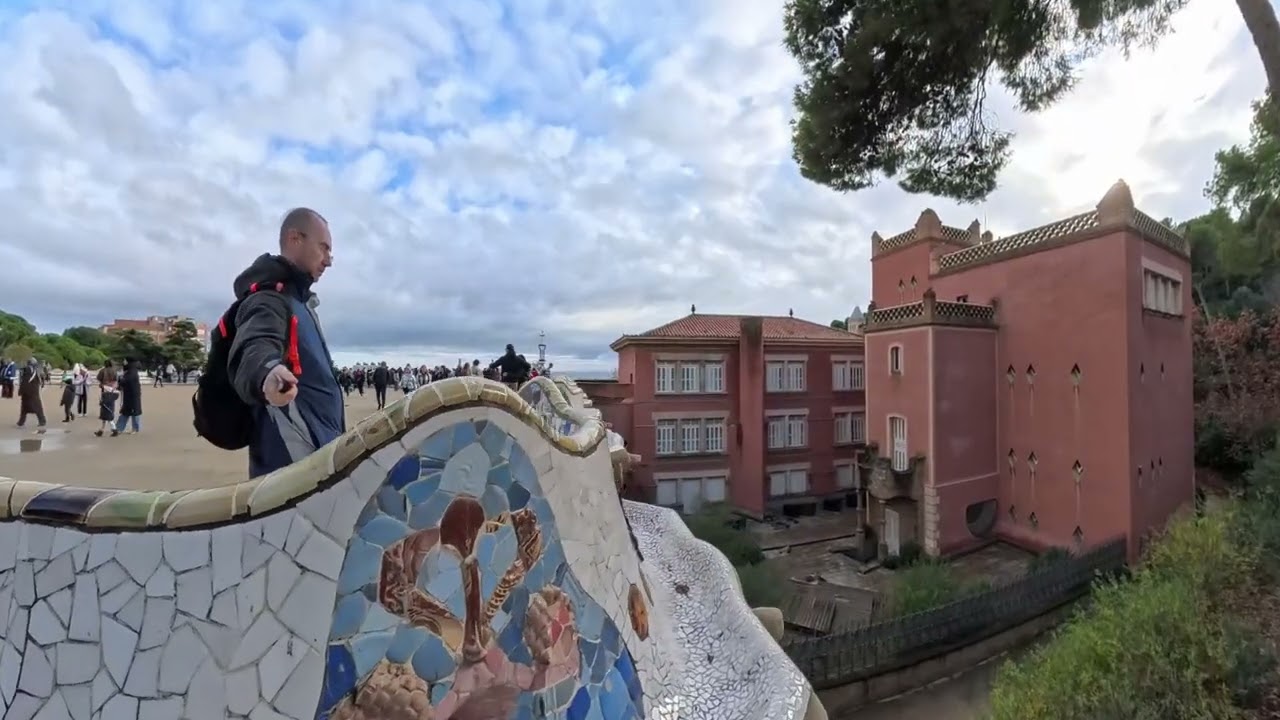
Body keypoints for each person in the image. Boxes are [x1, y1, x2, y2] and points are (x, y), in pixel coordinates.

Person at [227, 208, 345, 478]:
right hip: (294, 468)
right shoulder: (269, 299)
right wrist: (267, 373)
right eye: (323, 248)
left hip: (319, 452)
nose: (328, 260)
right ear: (295, 239)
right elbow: (255, 343)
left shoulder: (301, 303)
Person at [113, 358, 143, 436]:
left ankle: (134, 429)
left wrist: (121, 380)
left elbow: (126, 381)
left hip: (133, 396)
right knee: (125, 412)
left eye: (125, 362)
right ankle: (119, 428)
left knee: (134, 413)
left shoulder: (132, 372)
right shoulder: (131, 371)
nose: (124, 363)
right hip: (130, 395)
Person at [16, 358, 46, 428]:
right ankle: (21, 421)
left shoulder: (29, 370)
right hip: (33, 391)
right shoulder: (36, 370)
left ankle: (41, 421)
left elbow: (25, 381)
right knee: (32, 407)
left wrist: (21, 391)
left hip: (29, 392)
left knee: (31, 407)